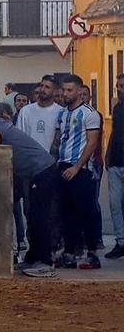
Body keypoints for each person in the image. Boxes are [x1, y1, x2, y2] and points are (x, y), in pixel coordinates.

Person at [0, 101, 60, 278]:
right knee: (33, 216)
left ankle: (46, 262)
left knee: (40, 217)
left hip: (43, 171)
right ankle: (34, 257)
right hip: (38, 173)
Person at [53, 74, 103, 270]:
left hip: (81, 169)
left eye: (69, 90)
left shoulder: (89, 113)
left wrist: (77, 166)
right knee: (66, 213)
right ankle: (69, 253)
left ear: (79, 91)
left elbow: (92, 142)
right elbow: (59, 140)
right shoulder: (63, 114)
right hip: (63, 165)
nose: (65, 94)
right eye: (63, 90)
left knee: (85, 211)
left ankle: (92, 253)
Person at [104, 73, 124, 260]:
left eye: (122, 86)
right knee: (115, 204)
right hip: (116, 163)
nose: (119, 89)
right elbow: (114, 132)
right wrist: (108, 154)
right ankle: (120, 242)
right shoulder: (117, 108)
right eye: (118, 85)